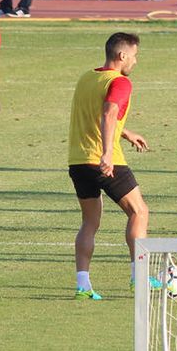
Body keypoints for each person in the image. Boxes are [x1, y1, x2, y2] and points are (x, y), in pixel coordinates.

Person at [68, 32, 151, 301]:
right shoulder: (120, 82)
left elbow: (94, 114)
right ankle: (138, 277)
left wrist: (126, 133)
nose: (136, 62)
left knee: (90, 222)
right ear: (122, 55)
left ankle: (83, 285)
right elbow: (108, 111)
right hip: (105, 159)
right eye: (135, 56)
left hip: (78, 160)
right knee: (139, 212)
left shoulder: (87, 78)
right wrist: (106, 153)